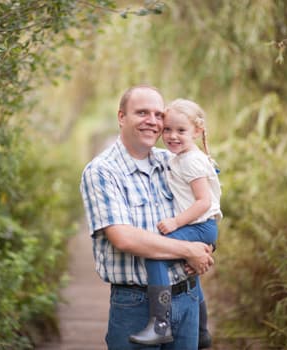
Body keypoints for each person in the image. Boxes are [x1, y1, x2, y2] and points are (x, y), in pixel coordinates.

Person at [79, 86, 215, 349]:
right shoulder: (102, 171)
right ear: (121, 117)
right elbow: (124, 238)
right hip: (135, 305)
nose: (152, 121)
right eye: (142, 112)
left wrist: (206, 248)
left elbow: (203, 208)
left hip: (187, 297)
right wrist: (188, 249)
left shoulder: (173, 161)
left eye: (158, 114)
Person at [128, 99, 222, 347]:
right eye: (167, 129)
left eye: (181, 131)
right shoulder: (181, 157)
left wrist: (175, 222)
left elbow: (203, 201)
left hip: (200, 225)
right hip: (203, 226)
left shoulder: (190, 160)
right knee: (190, 273)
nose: (172, 136)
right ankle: (201, 331)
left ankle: (160, 323)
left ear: (197, 131)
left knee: (156, 252)